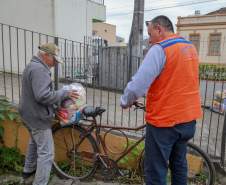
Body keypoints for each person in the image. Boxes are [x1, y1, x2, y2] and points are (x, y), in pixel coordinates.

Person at [120, 15, 202, 185]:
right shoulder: (190, 47)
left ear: (159, 29)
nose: (149, 41)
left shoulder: (161, 49)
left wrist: (125, 101)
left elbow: (137, 86)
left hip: (165, 123)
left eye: (150, 35)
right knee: (179, 165)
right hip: (188, 120)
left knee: (156, 171)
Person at [19, 43, 79, 185]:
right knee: (46, 154)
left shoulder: (32, 66)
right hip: (37, 117)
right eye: (54, 60)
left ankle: (28, 173)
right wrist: (64, 93)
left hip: (28, 114)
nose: (55, 64)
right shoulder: (39, 69)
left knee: (34, 142)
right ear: (46, 55)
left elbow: (38, 95)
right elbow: (42, 96)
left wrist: (54, 108)